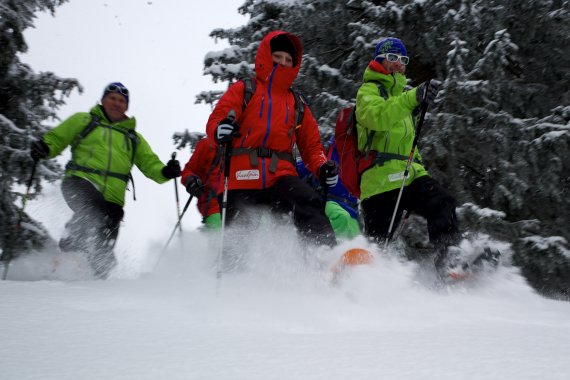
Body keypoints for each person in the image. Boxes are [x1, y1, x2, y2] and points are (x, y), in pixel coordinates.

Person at [205, 30, 339, 259]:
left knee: (307, 201)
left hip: (280, 176)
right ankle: (231, 277)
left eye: (289, 60)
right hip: (242, 176)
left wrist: (321, 166)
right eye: (278, 56)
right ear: (266, 56)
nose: (283, 63)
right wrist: (220, 129)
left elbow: (312, 147)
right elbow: (217, 120)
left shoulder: (297, 103)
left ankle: (325, 258)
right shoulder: (244, 89)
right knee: (239, 231)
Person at [30, 82, 181, 278]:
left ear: (126, 106)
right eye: (112, 98)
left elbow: (150, 164)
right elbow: (58, 138)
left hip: (113, 197)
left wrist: (166, 171)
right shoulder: (84, 121)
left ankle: (98, 272)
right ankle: (70, 252)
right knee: (93, 210)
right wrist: (46, 147)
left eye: (121, 101)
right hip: (80, 180)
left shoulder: (133, 138)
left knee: (109, 224)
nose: (116, 103)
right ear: (103, 100)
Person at [355, 37, 462, 276]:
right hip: (379, 182)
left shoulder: (404, 99)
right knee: (379, 246)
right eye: (392, 58)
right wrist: (412, 98)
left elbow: (410, 145)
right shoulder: (368, 91)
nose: (399, 63)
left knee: (442, 202)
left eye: (403, 59)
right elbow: (377, 118)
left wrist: (419, 168)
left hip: (409, 177)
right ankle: (360, 284)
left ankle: (449, 262)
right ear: (379, 60)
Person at [296, 137, 360, 241]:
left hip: (352, 211)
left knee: (355, 235)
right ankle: (334, 252)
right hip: (327, 203)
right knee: (341, 217)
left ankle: (351, 252)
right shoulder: (327, 153)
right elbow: (303, 167)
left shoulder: (361, 156)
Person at [181, 137, 222, 229]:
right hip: (214, 206)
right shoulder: (208, 144)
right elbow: (188, 171)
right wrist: (191, 181)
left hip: (246, 203)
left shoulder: (249, 142)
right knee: (221, 235)